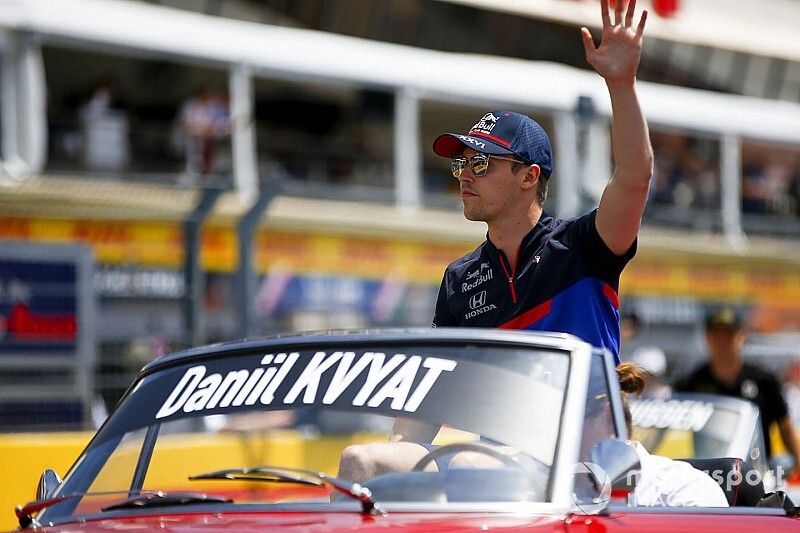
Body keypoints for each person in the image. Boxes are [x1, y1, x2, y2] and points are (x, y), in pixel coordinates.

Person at [339, 0, 653, 479]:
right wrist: (394, 468)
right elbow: (424, 409)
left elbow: (634, 176)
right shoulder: (460, 280)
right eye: (461, 163)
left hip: (592, 468)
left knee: (466, 462)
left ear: (529, 177)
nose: (464, 175)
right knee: (363, 461)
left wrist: (622, 85)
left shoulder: (585, 246)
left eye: (481, 163)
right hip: (504, 470)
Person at [673, 305, 800, 470]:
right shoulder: (691, 383)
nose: (722, 343)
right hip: (706, 472)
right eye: (716, 336)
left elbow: (785, 426)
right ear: (707, 338)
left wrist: (797, 462)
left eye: (728, 335)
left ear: (742, 336)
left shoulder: (764, 381)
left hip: (756, 472)